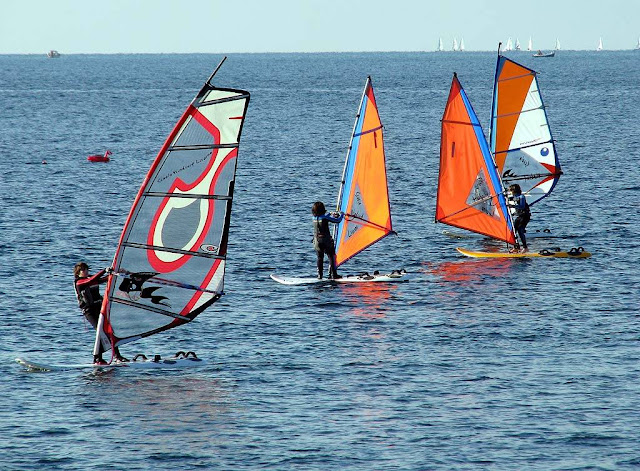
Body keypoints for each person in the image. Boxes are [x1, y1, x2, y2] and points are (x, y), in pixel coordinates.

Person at [73, 262, 128, 364]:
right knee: (100, 332)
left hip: (100, 309)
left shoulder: (91, 279)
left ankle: (117, 356)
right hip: (89, 312)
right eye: (83, 270)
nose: (85, 271)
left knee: (110, 331)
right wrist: (104, 270)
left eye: (86, 269)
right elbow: (91, 280)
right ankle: (97, 358)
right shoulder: (79, 283)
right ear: (78, 273)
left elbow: (105, 279)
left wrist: (116, 273)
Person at [311, 201, 344, 279]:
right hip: (326, 241)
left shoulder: (314, 218)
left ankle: (320, 276)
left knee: (320, 258)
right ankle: (334, 275)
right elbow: (337, 220)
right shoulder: (325, 218)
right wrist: (342, 214)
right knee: (331, 256)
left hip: (317, 241)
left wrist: (330, 214)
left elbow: (324, 217)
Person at [507, 184, 531, 252]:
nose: (510, 193)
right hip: (519, 216)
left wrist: (512, 206)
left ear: (514, 190)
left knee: (520, 230)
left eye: (511, 191)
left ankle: (525, 248)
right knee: (513, 231)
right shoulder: (514, 197)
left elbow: (522, 206)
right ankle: (516, 247)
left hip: (525, 216)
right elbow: (509, 198)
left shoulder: (521, 196)